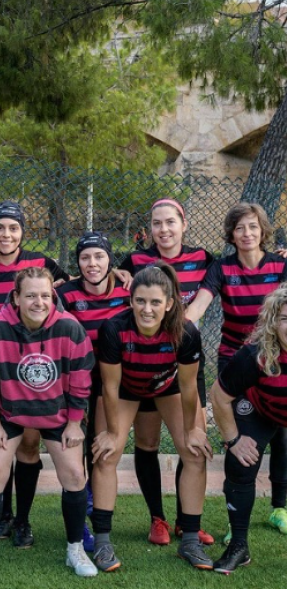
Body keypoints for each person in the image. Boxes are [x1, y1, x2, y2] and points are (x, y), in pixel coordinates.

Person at [0, 267, 96, 578]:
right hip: (9, 413)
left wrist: (74, 424)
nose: (39, 302)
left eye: (45, 295)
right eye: (30, 296)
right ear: (16, 298)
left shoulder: (70, 328)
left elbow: (81, 380)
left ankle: (74, 548)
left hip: (57, 415)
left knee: (76, 475)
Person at [91, 264, 213, 572]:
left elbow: (187, 386)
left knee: (195, 453)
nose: (147, 309)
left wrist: (191, 430)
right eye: (140, 301)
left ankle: (189, 542)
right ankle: (103, 542)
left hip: (168, 386)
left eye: (155, 302)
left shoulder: (185, 331)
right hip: (125, 390)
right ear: (130, 300)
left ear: (169, 303)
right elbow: (110, 385)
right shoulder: (114, 329)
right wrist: (113, 434)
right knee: (106, 455)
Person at [0, 200, 70, 548]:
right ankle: (3, 516)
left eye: (13, 227)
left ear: (23, 231)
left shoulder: (42, 264)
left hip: (39, 373)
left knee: (28, 444)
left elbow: (75, 289)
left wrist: (121, 275)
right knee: (1, 444)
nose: (6, 234)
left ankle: (23, 519)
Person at [185, 202, 287, 540]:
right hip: (236, 362)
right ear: (231, 233)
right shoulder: (221, 268)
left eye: (253, 227)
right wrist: (176, 324)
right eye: (240, 227)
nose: (247, 233)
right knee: (242, 440)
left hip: (276, 361)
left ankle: (279, 508)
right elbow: (199, 305)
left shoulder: (279, 265)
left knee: (282, 433)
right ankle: (235, 523)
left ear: (263, 231)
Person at [119, 198, 215, 546]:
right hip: (144, 366)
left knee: (193, 441)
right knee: (147, 443)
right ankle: (157, 518)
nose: (164, 229)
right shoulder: (134, 261)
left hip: (185, 364)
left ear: (183, 223)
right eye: (157, 223)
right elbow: (111, 280)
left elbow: (235, 267)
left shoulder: (203, 258)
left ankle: (187, 521)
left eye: (170, 222)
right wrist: (119, 274)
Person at [57, 231, 130, 550]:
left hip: (114, 381)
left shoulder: (128, 290)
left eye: (99, 256)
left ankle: (95, 513)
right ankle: (79, 519)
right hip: (76, 380)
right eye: (85, 257)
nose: (92, 263)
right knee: (75, 450)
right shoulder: (68, 294)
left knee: (101, 450)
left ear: (110, 259)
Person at [210, 287, 287, 573]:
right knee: (240, 463)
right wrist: (233, 439)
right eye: (285, 319)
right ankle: (239, 546)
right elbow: (219, 395)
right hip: (260, 409)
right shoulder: (255, 355)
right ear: (272, 322)